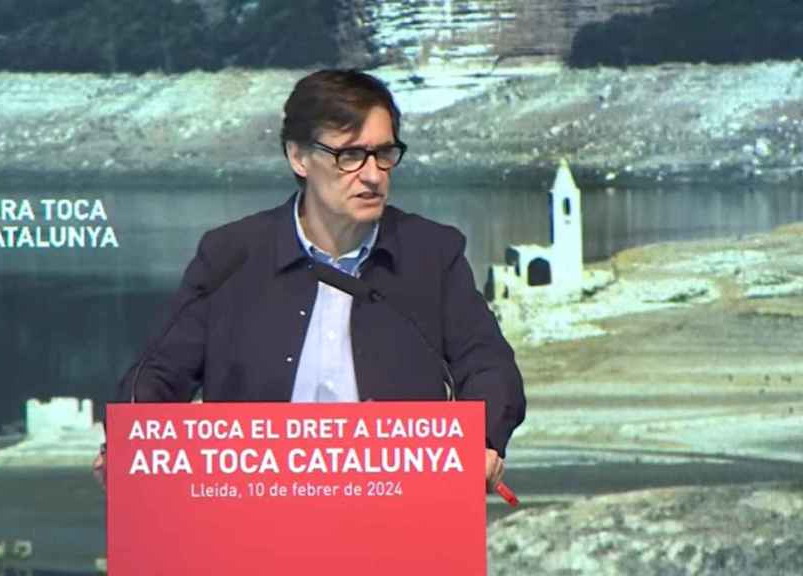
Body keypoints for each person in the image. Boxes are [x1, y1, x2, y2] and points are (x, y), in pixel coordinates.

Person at [97, 69, 525, 491]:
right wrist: (127, 444)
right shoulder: (230, 255)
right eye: (350, 156)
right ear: (298, 157)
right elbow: (156, 374)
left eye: (384, 154)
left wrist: (481, 440)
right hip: (254, 512)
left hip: (395, 511)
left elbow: (489, 365)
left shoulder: (431, 253)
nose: (374, 175)